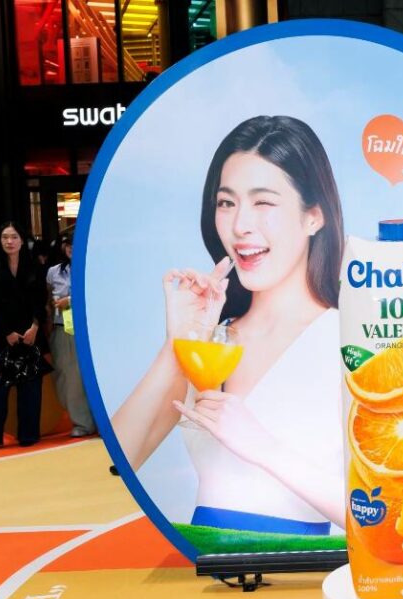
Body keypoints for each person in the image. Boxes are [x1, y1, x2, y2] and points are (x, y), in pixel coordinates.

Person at [112, 115, 346, 534]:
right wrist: (176, 346)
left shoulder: (349, 340)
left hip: (301, 567)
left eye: (263, 202)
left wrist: (263, 447)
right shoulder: (211, 343)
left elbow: (385, 519)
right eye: (226, 203)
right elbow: (116, 462)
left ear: (314, 216)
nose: (240, 226)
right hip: (204, 564)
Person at [0, 222, 48, 453]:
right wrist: (7, 332)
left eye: (14, 237)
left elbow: (41, 299)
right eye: (5, 237)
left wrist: (35, 327)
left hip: (29, 335)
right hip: (3, 337)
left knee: (30, 388)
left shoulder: (34, 266)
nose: (9, 241)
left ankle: (29, 434)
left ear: (22, 240)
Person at [46, 230, 96, 437]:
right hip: (63, 328)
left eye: (75, 244)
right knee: (68, 377)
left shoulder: (93, 266)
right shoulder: (54, 272)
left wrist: (70, 300)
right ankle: (82, 422)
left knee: (92, 375)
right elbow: (47, 299)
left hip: (90, 328)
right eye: (68, 244)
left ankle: (100, 421)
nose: (71, 248)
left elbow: (96, 293)